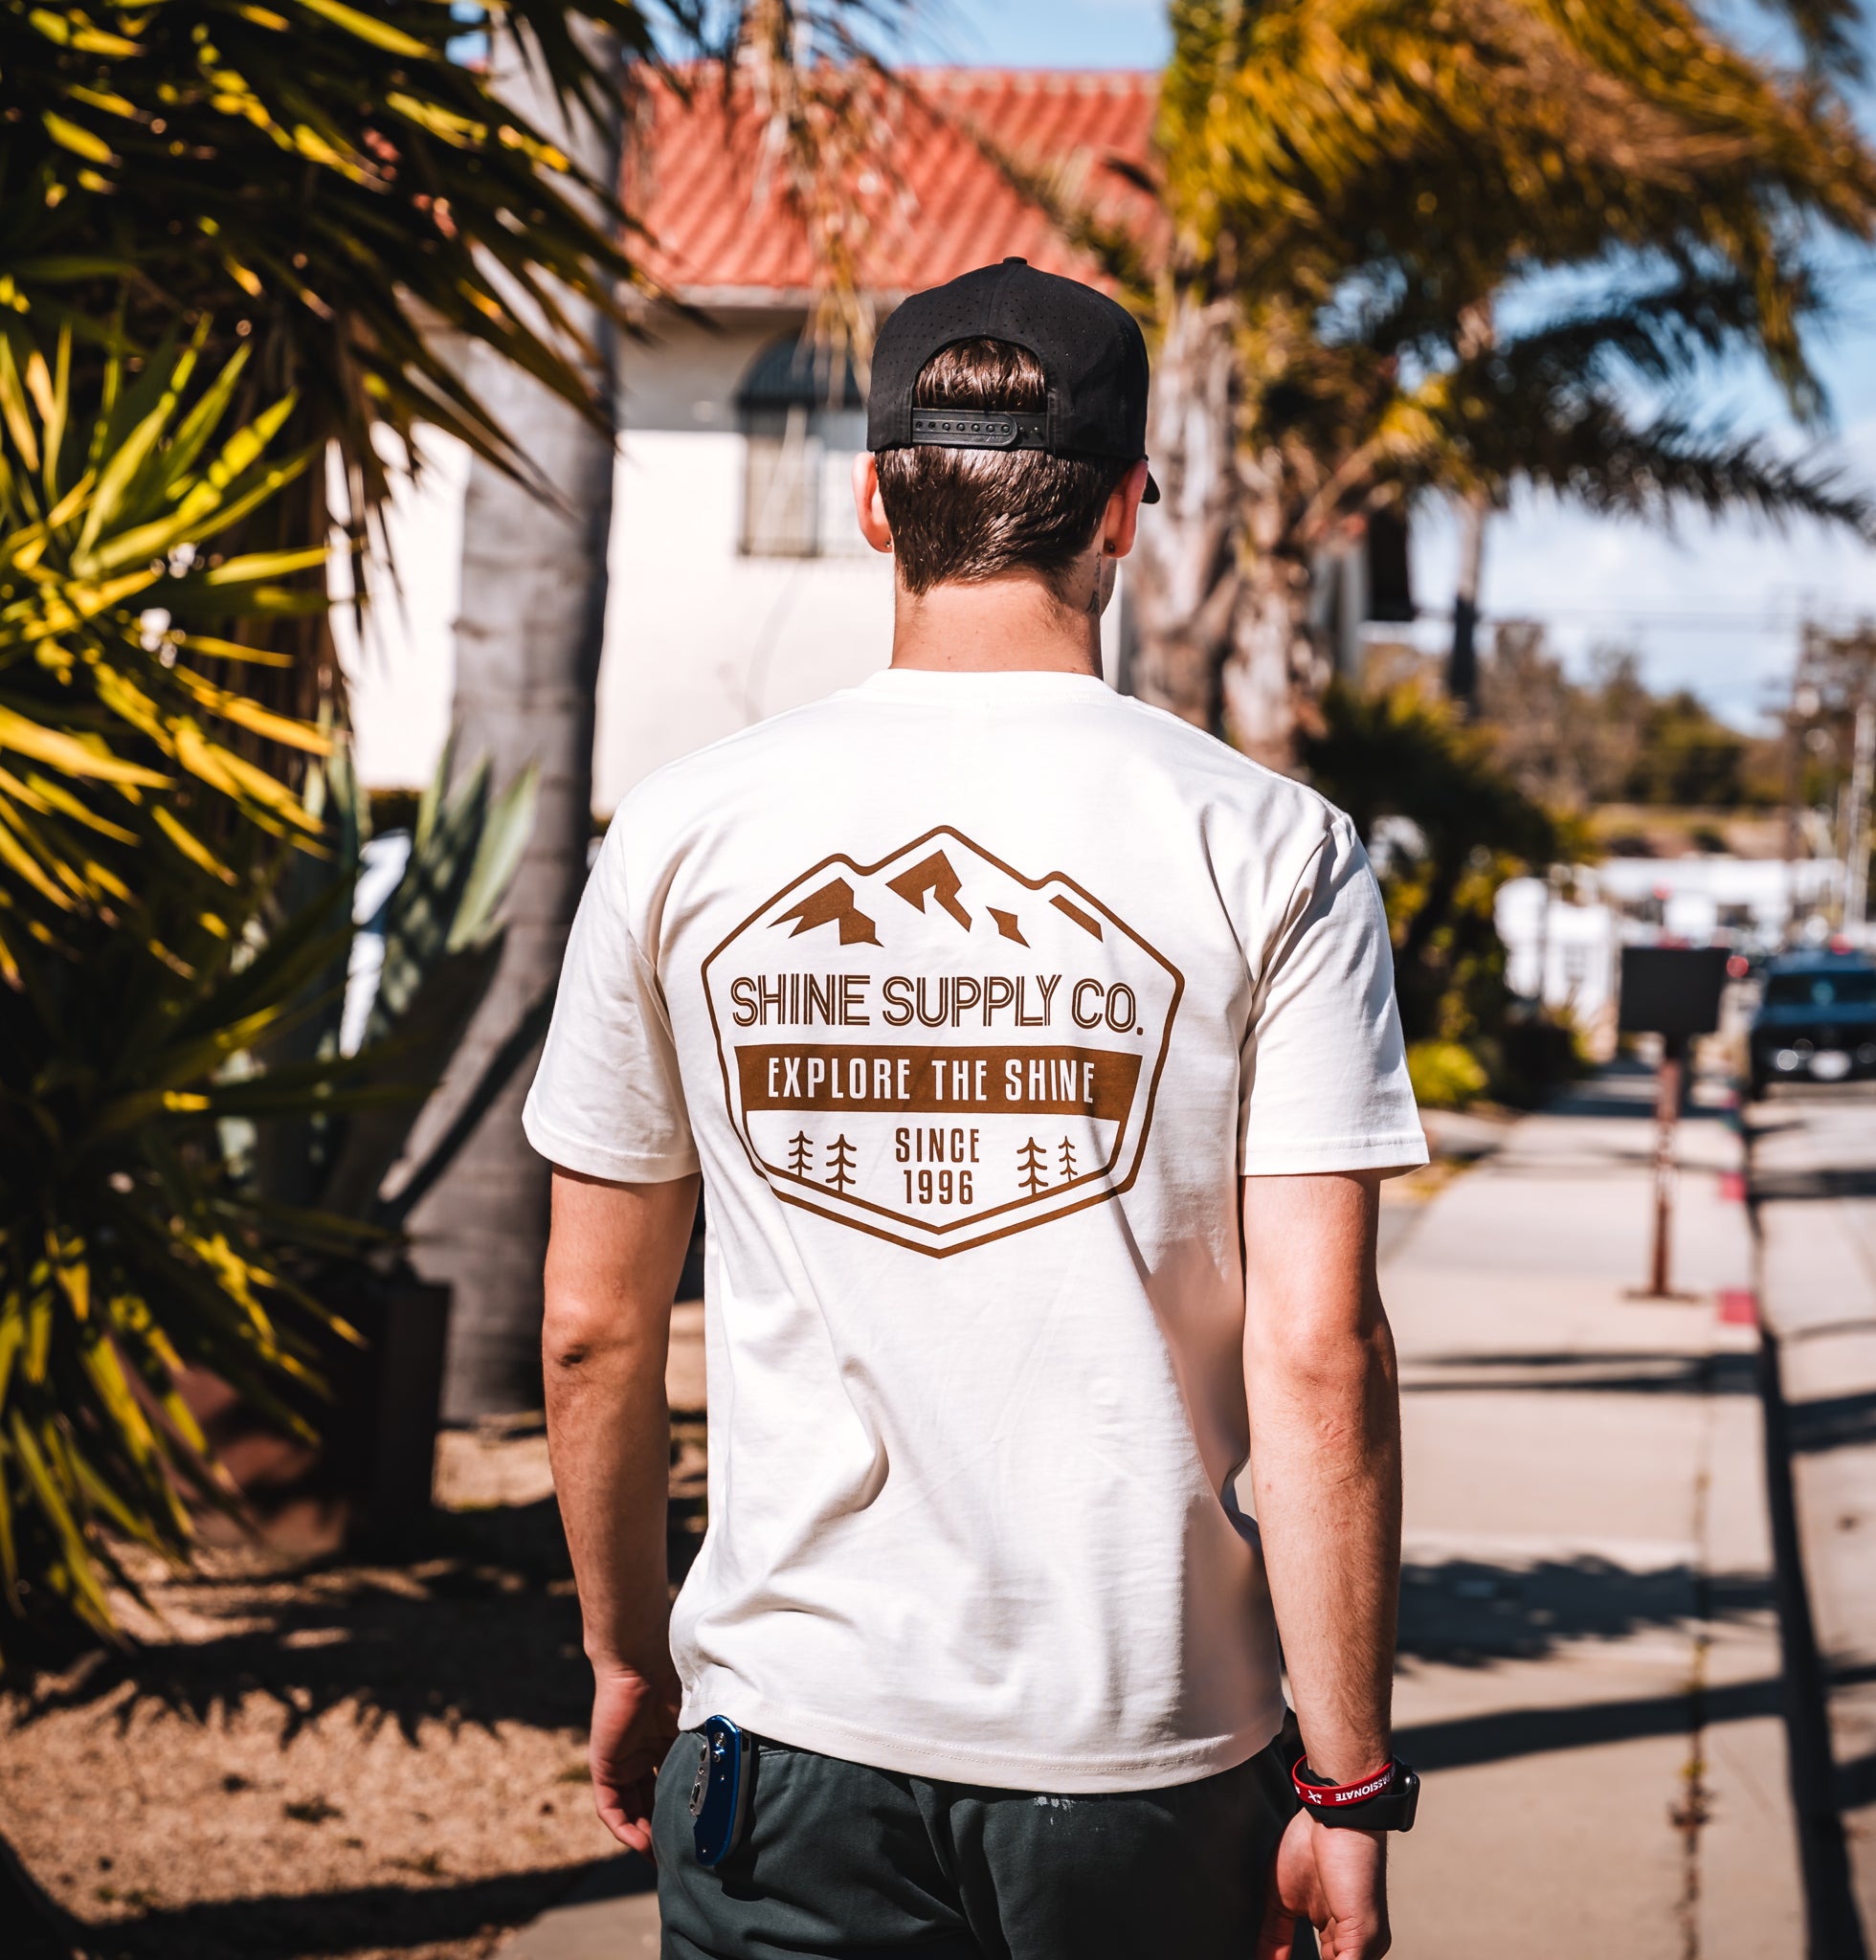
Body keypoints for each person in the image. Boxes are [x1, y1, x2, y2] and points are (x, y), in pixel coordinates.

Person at [526, 258, 1427, 1960]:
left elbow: (591, 1324)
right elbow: (1320, 1353)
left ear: (872, 498)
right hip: (1149, 1756)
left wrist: (633, 1652)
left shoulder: (678, 833)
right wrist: (1346, 1782)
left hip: (785, 1737)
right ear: (1123, 509)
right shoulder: (1268, 844)